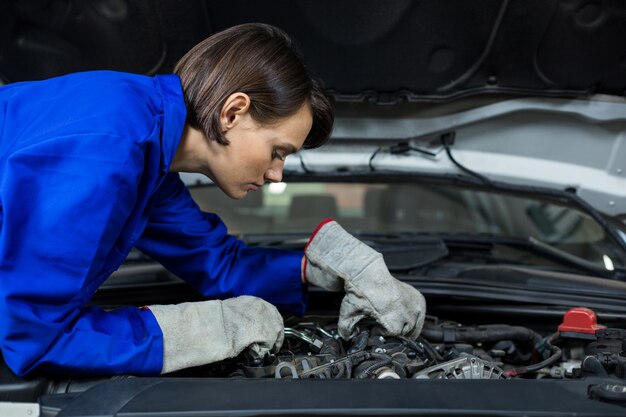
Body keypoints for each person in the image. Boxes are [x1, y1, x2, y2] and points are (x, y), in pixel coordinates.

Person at [0, 23, 425, 377]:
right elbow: (35, 338)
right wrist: (199, 330)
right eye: (278, 151)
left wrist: (322, 267)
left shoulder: (149, 154)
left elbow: (217, 263)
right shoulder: (107, 148)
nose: (277, 175)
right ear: (233, 112)